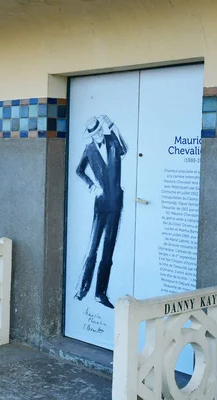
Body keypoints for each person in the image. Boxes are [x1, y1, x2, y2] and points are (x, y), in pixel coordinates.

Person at [74, 115, 128, 309]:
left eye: (98, 131)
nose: (97, 135)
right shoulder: (89, 150)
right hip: (101, 204)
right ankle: (82, 289)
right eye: (93, 133)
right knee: (92, 249)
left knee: (108, 251)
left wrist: (112, 125)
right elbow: (79, 170)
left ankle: (100, 293)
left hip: (116, 203)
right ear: (90, 135)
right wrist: (91, 186)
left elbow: (125, 148)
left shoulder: (112, 140)